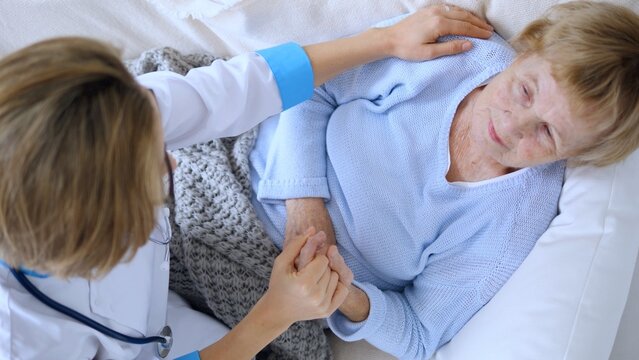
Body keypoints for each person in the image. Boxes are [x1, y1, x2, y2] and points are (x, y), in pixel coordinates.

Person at [0, 5, 496, 360]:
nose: (174, 165)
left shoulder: (99, 119)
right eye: (150, 169)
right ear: (98, 231)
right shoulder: (25, 338)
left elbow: (234, 89)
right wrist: (274, 314)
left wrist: (384, 40)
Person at [243, 1, 639, 359]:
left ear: (576, 154)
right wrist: (305, 203)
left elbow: (419, 331)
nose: (513, 125)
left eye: (548, 133)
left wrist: (339, 291)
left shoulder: (512, 222)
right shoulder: (450, 52)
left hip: (287, 297)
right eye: (524, 91)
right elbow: (312, 84)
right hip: (237, 160)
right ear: (526, 51)